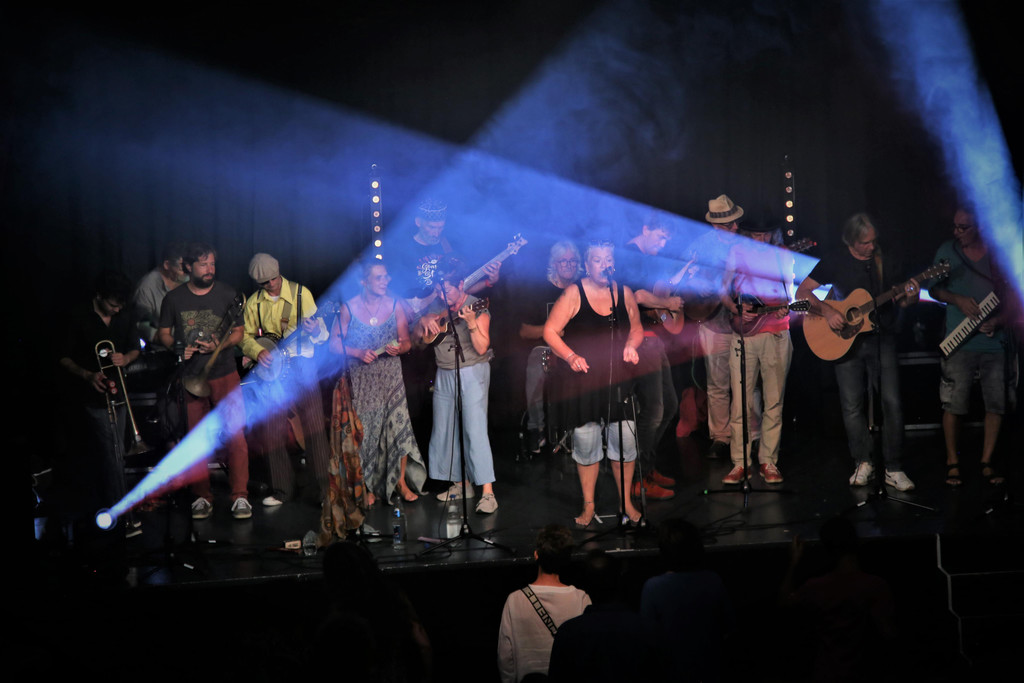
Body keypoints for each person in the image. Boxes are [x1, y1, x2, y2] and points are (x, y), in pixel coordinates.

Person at [795, 213, 918, 491]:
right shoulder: (835, 260)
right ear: (850, 241)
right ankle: (863, 461)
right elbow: (803, 292)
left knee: (892, 402)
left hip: (882, 338)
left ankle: (894, 467)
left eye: (874, 241)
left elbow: (902, 301)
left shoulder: (886, 260)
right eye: (865, 243)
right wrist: (828, 311)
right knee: (852, 405)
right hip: (846, 341)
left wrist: (910, 297)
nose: (871, 247)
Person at [543, 242, 645, 527]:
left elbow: (636, 328)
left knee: (624, 441)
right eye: (597, 260)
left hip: (618, 379)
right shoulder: (574, 293)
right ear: (587, 266)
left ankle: (626, 502)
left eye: (608, 259)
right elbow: (550, 331)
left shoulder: (623, 293)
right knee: (587, 443)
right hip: (584, 381)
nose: (604, 264)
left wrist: (631, 346)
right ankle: (588, 505)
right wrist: (570, 356)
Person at [158, 242, 252, 519]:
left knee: (236, 435)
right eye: (203, 264)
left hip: (224, 373)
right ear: (188, 267)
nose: (210, 269)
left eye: (212, 264)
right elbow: (163, 333)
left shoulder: (227, 293)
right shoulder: (173, 299)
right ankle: (201, 496)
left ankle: (240, 496)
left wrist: (219, 346)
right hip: (190, 377)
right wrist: (177, 347)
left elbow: (238, 332)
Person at [930, 207, 1017, 485]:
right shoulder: (948, 250)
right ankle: (952, 462)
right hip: (959, 342)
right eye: (954, 226)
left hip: (994, 344)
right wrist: (957, 299)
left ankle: (987, 461)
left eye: (963, 227)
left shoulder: (997, 254)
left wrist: (998, 321)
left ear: (979, 227)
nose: (957, 232)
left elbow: (1014, 298)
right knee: (954, 403)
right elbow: (933, 288)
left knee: (996, 403)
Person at [330, 260, 426, 506]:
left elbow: (406, 341)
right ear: (365, 282)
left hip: (391, 376)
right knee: (367, 431)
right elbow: (334, 344)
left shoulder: (395, 305)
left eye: (386, 277)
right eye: (379, 278)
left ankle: (400, 482)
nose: (386, 281)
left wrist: (399, 348)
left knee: (398, 427)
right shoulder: (349, 308)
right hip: (363, 379)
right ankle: (367, 485)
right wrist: (357, 352)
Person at [240, 253, 332, 506]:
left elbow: (322, 334)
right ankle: (281, 489)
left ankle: (326, 490)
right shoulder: (254, 303)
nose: (271, 284)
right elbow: (244, 336)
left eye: (274, 279)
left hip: (302, 364)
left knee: (314, 427)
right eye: (265, 282)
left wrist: (315, 330)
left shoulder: (301, 294)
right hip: (271, 370)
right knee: (272, 429)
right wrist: (257, 352)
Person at [58, 270, 142, 536]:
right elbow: (63, 357)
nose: (117, 310)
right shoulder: (79, 316)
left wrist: (125, 359)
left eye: (120, 305)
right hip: (92, 395)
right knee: (110, 454)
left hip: (120, 392)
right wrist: (87, 375)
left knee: (117, 453)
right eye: (112, 304)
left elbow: (135, 348)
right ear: (99, 296)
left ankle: (119, 508)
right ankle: (121, 513)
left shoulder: (125, 314)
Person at [415, 255, 499, 514]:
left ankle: (488, 493)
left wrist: (471, 323)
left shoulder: (477, 306)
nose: (443, 295)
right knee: (444, 430)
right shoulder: (437, 307)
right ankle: (461, 485)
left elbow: (482, 347)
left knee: (474, 430)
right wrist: (423, 322)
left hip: (473, 371)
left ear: (461, 285)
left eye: (448, 290)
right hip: (445, 372)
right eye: (440, 290)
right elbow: (417, 338)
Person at [719, 222, 794, 484]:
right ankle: (740, 462)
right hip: (744, 333)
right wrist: (734, 308)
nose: (761, 238)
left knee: (774, 400)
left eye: (765, 234)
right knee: (740, 401)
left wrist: (787, 305)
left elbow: (790, 292)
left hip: (776, 333)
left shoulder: (782, 254)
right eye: (755, 234)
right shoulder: (737, 251)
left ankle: (768, 461)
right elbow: (723, 289)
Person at [617, 214, 685, 500]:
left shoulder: (646, 259)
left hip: (653, 340)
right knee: (654, 409)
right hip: (640, 341)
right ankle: (638, 477)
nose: (664, 243)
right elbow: (638, 295)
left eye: (667, 239)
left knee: (669, 406)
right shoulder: (629, 254)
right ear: (645, 229)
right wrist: (668, 303)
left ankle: (647, 466)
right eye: (661, 236)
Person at [686, 195, 760, 459]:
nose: (736, 227)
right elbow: (682, 277)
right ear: (716, 226)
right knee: (717, 384)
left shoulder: (747, 244)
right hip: (712, 322)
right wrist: (699, 287)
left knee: (749, 383)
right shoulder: (700, 245)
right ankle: (720, 437)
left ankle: (753, 435)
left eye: (736, 222)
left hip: (746, 324)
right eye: (729, 224)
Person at [780, 517, 896, 683]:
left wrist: (794, 561)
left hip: (826, 673)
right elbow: (887, 632)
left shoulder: (816, 586)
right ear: (857, 543)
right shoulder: (875, 585)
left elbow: (785, 601)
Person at [641, 518, 734, 683]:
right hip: (710, 669)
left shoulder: (653, 587)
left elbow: (649, 639)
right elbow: (728, 627)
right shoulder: (712, 580)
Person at [497, 524, 591, 683]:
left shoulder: (515, 600)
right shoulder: (581, 599)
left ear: (536, 555)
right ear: (566, 560)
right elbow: (588, 652)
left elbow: (505, 657)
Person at [518, 240, 583, 453]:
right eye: (563, 261)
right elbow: (524, 331)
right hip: (545, 348)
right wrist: (551, 331)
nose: (568, 265)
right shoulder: (539, 291)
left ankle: (583, 427)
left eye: (572, 261)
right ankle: (536, 428)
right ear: (553, 263)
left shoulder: (582, 289)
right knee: (537, 367)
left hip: (577, 349)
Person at [133, 242, 187, 345]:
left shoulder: (187, 279)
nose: (187, 271)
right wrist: (170, 343)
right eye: (181, 268)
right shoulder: (147, 287)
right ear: (167, 265)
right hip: (163, 348)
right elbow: (142, 325)